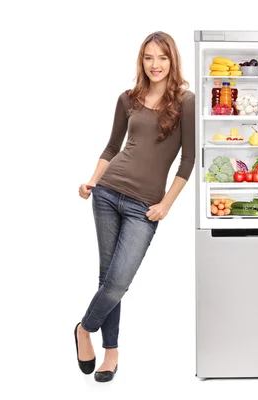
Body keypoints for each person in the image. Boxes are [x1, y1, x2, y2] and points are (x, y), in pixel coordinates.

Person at [74, 31, 195, 383]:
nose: (155, 65)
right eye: (148, 57)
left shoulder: (185, 101)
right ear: (141, 61)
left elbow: (187, 161)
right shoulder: (128, 98)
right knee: (107, 277)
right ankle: (110, 353)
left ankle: (83, 329)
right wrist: (92, 181)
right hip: (108, 193)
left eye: (162, 57)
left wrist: (166, 205)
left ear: (172, 61)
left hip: (145, 205)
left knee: (118, 282)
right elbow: (112, 147)